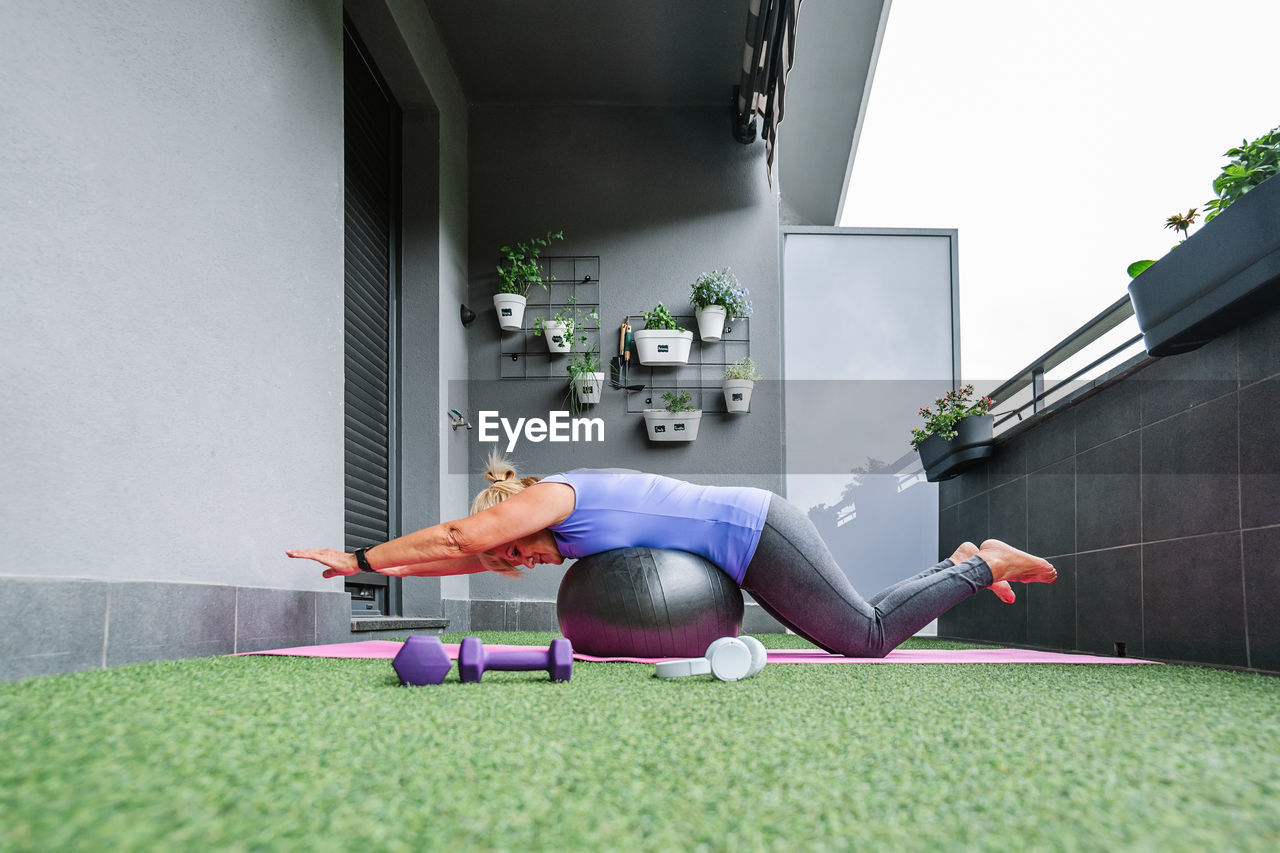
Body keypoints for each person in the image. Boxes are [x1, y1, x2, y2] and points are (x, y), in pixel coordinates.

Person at [287, 453, 1057, 658]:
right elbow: (464, 559)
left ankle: (982, 564)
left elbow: (462, 539)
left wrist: (360, 555)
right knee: (859, 625)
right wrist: (383, 571)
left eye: (509, 544)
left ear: (509, 511)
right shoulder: (553, 529)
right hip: (749, 544)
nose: (516, 555)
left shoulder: (552, 495)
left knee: (864, 638)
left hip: (760, 531)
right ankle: (966, 557)